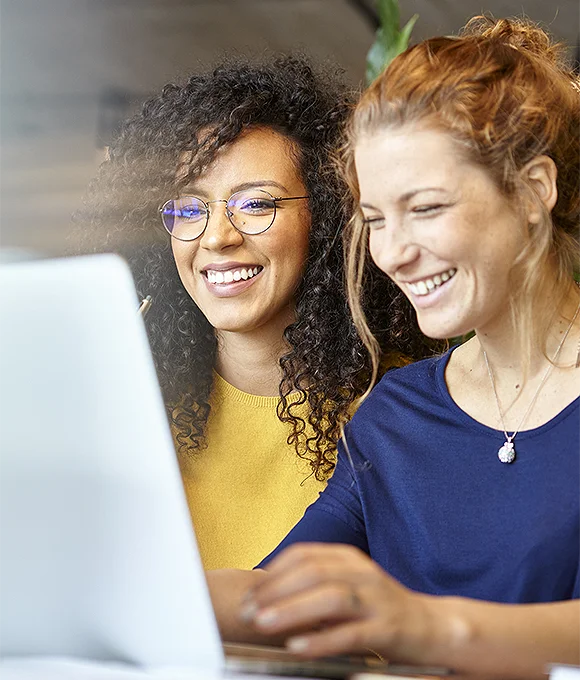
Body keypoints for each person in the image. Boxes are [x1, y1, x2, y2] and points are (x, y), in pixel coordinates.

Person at [208, 17, 580, 677]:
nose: (394, 254)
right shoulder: (394, 417)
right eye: (376, 220)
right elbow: (276, 594)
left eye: (427, 208)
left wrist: (423, 624)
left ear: (533, 191)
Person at [75, 55, 429, 571]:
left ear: (326, 216)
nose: (218, 237)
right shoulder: (132, 409)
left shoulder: (400, 409)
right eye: (190, 209)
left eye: (256, 204)